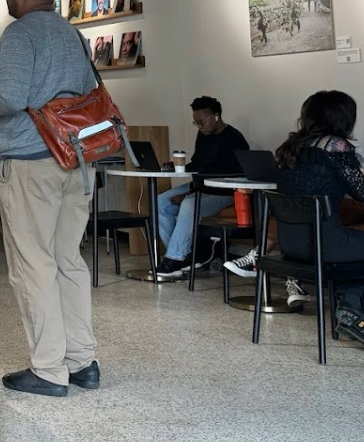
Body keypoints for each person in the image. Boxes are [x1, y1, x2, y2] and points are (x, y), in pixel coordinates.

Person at [0, 0, 99, 398]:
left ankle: (48, 369)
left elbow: (12, 98)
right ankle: (82, 362)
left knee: (32, 266)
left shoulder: (19, 34)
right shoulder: (72, 34)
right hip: (76, 161)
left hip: (30, 162)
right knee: (68, 261)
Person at [273, 91, 364, 344]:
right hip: (326, 243)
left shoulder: (291, 148)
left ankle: (351, 308)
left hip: (292, 246)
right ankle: (350, 307)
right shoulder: (335, 145)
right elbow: (361, 192)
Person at [154, 97, 250, 279]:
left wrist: (189, 193)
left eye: (201, 122)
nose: (199, 126)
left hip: (226, 191)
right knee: (160, 202)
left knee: (189, 205)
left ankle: (175, 258)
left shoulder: (234, 140)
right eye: (195, 122)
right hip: (202, 186)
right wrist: (175, 167)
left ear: (216, 117)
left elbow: (223, 177)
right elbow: (199, 165)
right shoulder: (204, 135)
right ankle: (181, 256)